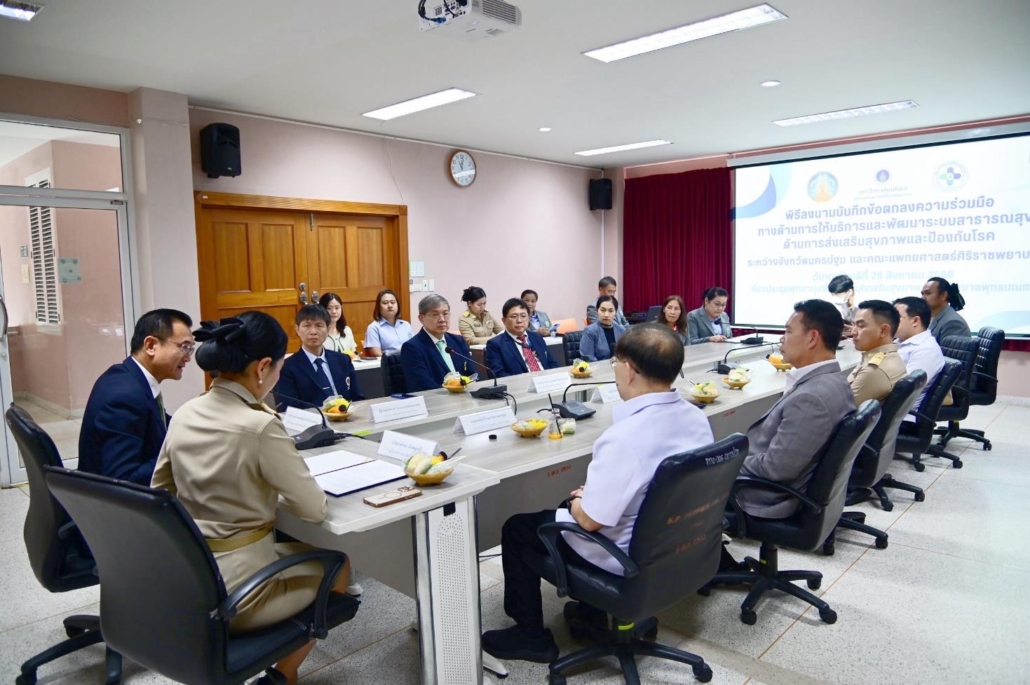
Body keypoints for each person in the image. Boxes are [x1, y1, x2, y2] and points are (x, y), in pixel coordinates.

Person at [481, 324, 713, 663]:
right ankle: (590, 613)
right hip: (674, 542)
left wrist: (579, 500)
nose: (614, 369)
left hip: (624, 556)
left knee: (518, 528)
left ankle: (530, 636)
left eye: (615, 362)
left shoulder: (624, 438)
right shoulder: (696, 417)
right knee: (564, 508)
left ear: (629, 370)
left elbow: (589, 522)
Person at [151, 312, 351, 685]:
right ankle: (283, 676)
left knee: (301, 552)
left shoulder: (185, 413)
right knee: (339, 565)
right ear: (262, 367)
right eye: (278, 368)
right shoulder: (259, 425)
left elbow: (160, 493)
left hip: (190, 576)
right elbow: (314, 508)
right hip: (242, 591)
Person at [734, 300, 855, 519]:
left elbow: (775, 468)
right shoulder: (835, 380)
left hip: (763, 498)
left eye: (788, 331)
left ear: (812, 338)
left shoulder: (811, 399)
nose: (783, 338)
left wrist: (727, 463)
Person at [78, 309, 194, 486]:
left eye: (190, 349)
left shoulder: (127, 377)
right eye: (183, 347)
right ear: (151, 345)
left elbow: (158, 424)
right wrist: (180, 453)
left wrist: (196, 427)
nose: (188, 358)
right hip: (110, 500)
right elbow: (123, 480)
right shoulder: (125, 397)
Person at [275, 304, 364, 411]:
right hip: (312, 420)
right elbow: (289, 409)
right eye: (307, 326)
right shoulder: (287, 367)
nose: (313, 332)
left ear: (328, 329)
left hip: (347, 417)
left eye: (319, 325)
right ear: (297, 330)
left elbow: (358, 399)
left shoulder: (343, 360)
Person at [401, 294, 474, 391]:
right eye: (435, 315)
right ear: (421, 318)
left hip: (464, 396)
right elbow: (422, 385)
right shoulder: (412, 347)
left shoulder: (458, 341)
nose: (442, 320)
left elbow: (472, 374)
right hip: (435, 398)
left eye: (445, 314)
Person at [893, 296, 946, 421]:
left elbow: (903, 390)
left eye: (895, 318)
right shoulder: (899, 342)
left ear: (915, 321)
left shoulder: (925, 349)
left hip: (900, 418)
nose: (890, 323)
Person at [847, 300, 908, 406]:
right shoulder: (890, 357)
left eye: (861, 326)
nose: (853, 332)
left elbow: (837, 410)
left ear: (883, 330)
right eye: (854, 325)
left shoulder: (874, 370)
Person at [485, 298, 560, 378]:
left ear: (529, 318)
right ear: (504, 321)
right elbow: (498, 375)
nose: (519, 320)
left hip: (546, 381)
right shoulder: (495, 344)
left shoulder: (537, 337)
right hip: (520, 384)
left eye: (523, 316)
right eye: (514, 316)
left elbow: (552, 363)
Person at [364, 289, 415, 357]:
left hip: (411, 360)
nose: (390, 305)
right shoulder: (374, 327)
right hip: (389, 362)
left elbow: (415, 347)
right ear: (378, 307)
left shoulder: (406, 325)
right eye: (385, 303)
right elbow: (376, 353)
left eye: (393, 302)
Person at [922, 276, 971, 342]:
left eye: (928, 293)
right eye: (922, 294)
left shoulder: (953, 323)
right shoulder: (928, 318)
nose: (922, 298)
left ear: (943, 295)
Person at [580, 295, 626, 362]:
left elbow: (626, 355)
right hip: (598, 367)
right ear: (597, 310)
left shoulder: (621, 330)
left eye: (610, 311)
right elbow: (588, 358)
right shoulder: (590, 331)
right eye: (603, 310)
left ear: (616, 312)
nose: (606, 315)